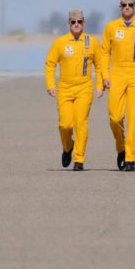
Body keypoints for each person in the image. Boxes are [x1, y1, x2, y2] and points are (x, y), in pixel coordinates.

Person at [101, 0, 135, 172]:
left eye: (130, 4)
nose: (127, 7)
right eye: (124, 5)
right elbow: (104, 53)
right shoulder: (111, 27)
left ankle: (131, 158)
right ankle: (121, 147)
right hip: (116, 73)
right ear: (120, 7)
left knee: (133, 119)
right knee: (115, 117)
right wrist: (104, 75)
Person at [45, 9, 103, 171]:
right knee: (65, 124)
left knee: (80, 123)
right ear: (68, 23)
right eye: (73, 22)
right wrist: (51, 85)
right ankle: (68, 146)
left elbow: (99, 65)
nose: (76, 25)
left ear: (84, 23)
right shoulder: (60, 43)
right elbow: (50, 64)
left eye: (79, 22)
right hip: (65, 88)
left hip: (84, 87)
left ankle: (79, 159)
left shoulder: (92, 42)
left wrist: (100, 86)